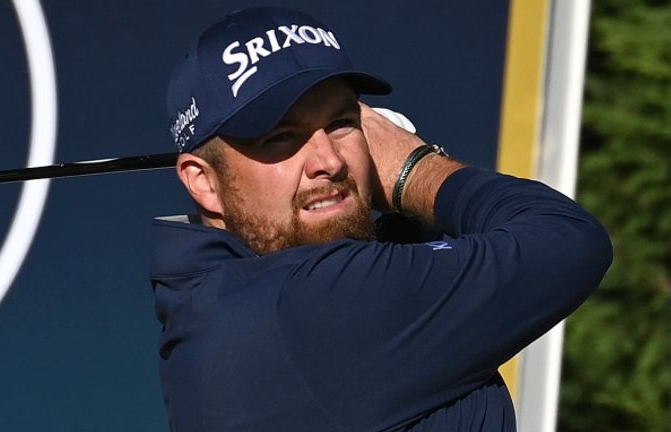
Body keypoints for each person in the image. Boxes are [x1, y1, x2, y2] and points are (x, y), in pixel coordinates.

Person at [152, 6, 612, 432]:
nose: (328, 161)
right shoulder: (309, 304)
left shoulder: (215, 310)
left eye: (340, 123)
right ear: (204, 183)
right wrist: (413, 170)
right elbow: (567, 239)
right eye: (280, 137)